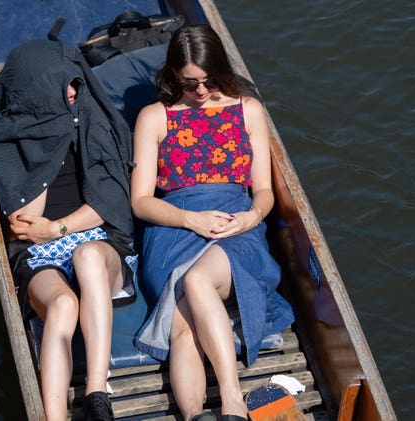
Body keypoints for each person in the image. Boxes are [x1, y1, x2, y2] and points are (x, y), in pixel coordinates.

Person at [131, 25, 295, 421]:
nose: (201, 91)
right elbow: (140, 202)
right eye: (189, 84)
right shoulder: (155, 117)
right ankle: (197, 416)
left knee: (198, 281)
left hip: (235, 225)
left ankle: (231, 400)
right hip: (174, 229)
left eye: (207, 80)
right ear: (172, 76)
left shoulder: (248, 109)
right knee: (183, 328)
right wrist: (191, 218)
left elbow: (263, 191)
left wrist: (251, 217)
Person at [0, 39, 137, 421]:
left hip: (95, 239)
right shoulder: (7, 139)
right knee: (63, 306)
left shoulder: (93, 121)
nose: (72, 91)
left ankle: (97, 395)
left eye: (74, 82)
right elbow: (21, 224)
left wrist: (58, 227)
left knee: (86, 258)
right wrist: (46, 141)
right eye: (61, 85)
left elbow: (109, 203)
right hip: (38, 253)